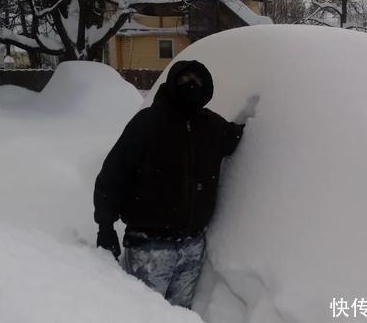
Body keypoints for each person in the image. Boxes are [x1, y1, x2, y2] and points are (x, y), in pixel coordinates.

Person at [93, 60, 258, 309]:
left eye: (197, 82)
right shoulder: (147, 123)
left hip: (192, 247)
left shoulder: (211, 126)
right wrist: (105, 226)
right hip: (149, 246)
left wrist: (264, 118)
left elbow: (238, 136)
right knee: (142, 314)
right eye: (184, 80)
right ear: (171, 84)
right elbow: (113, 175)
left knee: (179, 315)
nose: (191, 86)